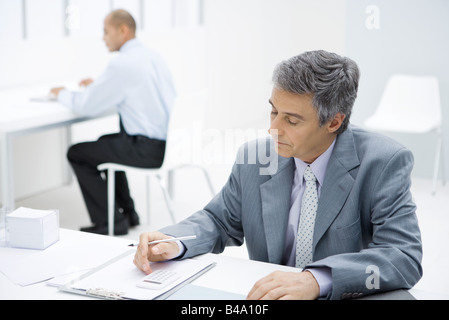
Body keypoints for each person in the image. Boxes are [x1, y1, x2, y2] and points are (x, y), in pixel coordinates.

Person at [133, 50, 423, 300]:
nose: (274, 129)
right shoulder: (256, 158)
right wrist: (175, 241)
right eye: (273, 113)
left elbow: (403, 256)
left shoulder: (383, 161)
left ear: (334, 121)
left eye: (292, 120)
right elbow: (219, 220)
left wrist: (316, 279)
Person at [50, 9, 176, 235]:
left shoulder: (123, 63)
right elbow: (135, 89)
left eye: (106, 32)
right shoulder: (152, 56)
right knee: (105, 142)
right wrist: (98, 86)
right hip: (167, 144)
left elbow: (85, 105)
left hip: (145, 149)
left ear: (123, 30)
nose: (103, 38)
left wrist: (61, 93)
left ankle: (110, 223)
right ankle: (128, 213)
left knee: (77, 153)